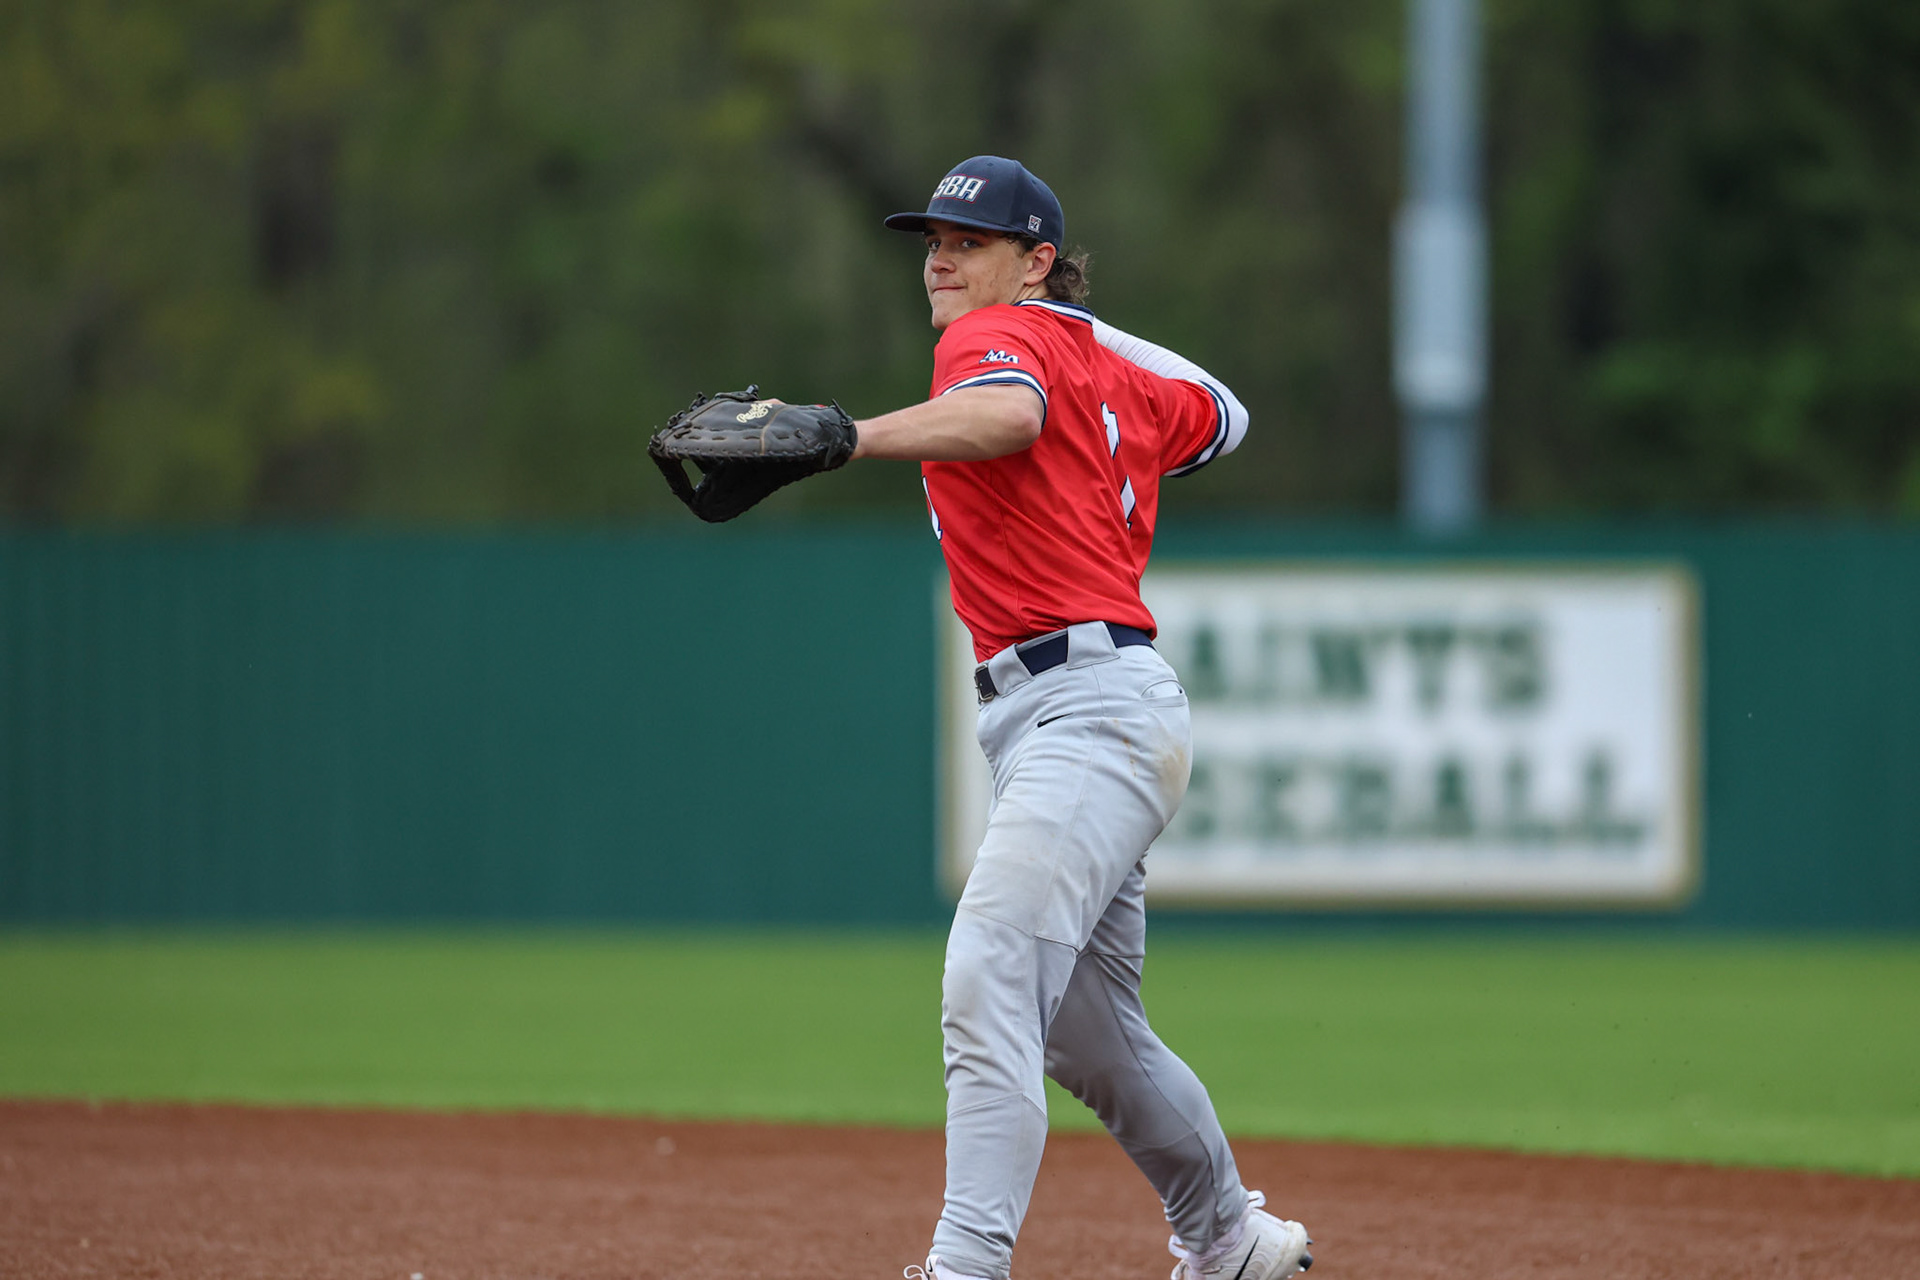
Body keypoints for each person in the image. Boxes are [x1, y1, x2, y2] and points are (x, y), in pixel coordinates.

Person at [850, 156, 1313, 1280]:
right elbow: (1224, 415)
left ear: (1036, 258)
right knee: (1084, 1031)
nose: (942, 259)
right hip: (1091, 711)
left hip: (1086, 711)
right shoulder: (1093, 360)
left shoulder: (989, 346)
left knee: (990, 974)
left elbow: (1006, 416)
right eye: (933, 241)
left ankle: (965, 1267)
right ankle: (1230, 1237)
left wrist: (843, 435)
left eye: (970, 240)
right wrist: (1082, 333)